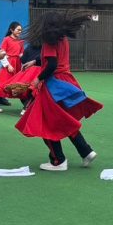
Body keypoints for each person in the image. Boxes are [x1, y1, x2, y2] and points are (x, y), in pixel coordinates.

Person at [15, 10, 102, 171]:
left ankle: (58, 160)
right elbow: (52, 59)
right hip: (66, 82)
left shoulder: (49, 42)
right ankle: (86, 151)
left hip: (53, 85)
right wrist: (35, 61)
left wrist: (38, 78)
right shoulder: (62, 39)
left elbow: (52, 64)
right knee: (63, 119)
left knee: (47, 122)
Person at [0, 21, 24, 112]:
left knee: (16, 85)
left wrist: (24, 63)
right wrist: (8, 65)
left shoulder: (21, 41)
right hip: (8, 65)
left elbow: (21, 54)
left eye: (21, 30)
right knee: (2, 84)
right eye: (18, 30)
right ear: (11, 30)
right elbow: (2, 53)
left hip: (17, 65)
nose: (19, 31)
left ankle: (26, 105)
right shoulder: (6, 39)